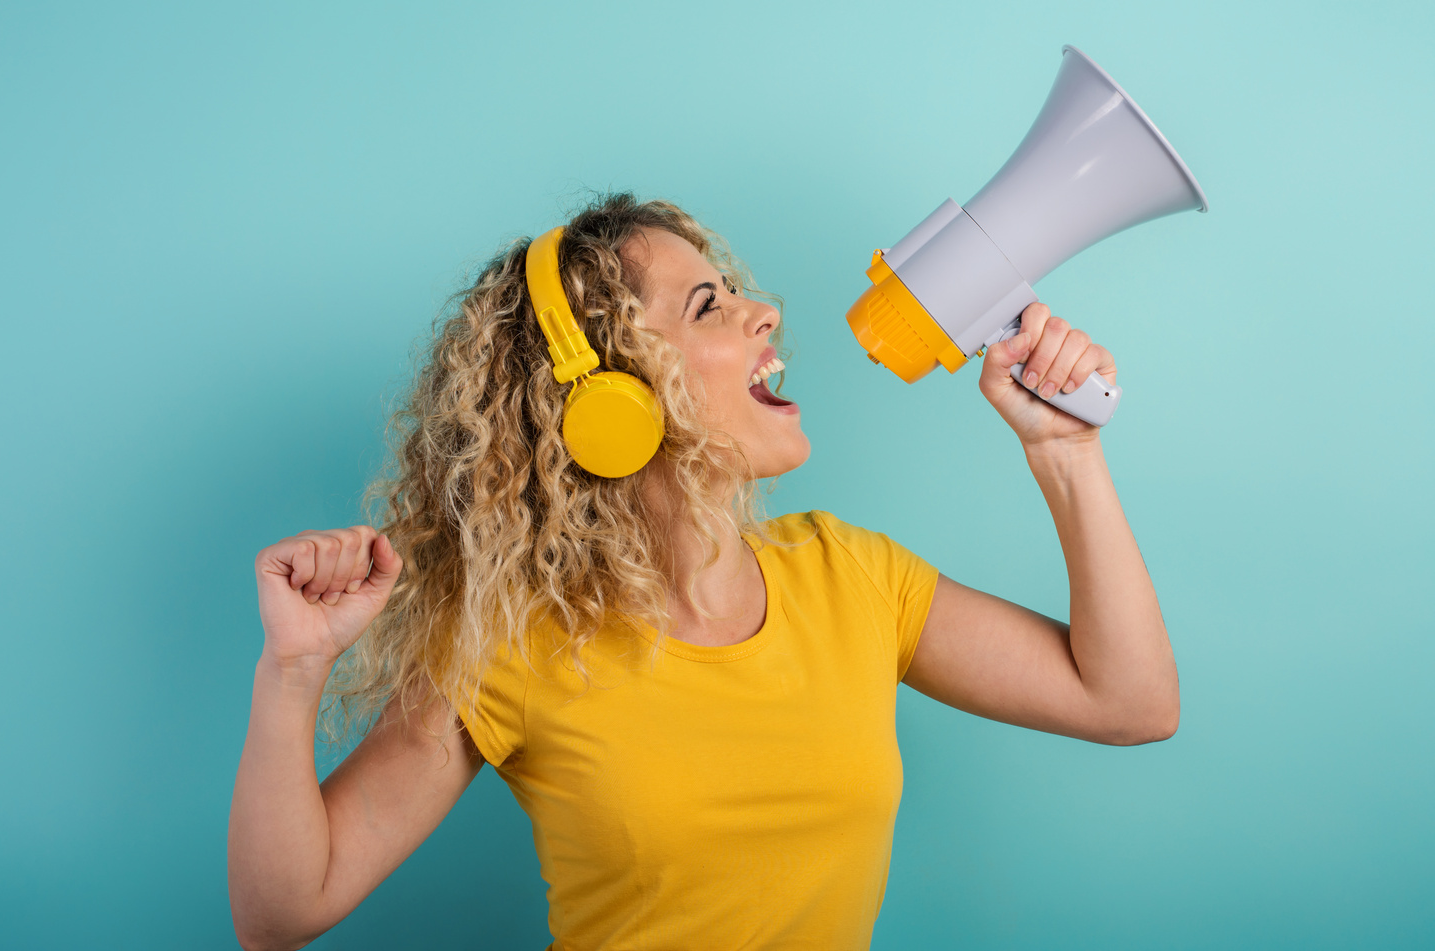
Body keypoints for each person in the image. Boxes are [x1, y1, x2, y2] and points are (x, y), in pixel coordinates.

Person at [227, 193, 1179, 950]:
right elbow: (283, 913)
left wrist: (1066, 454)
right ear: (611, 395)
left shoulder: (853, 577)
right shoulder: (512, 646)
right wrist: (293, 671)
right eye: (709, 306)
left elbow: (1129, 702)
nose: (765, 311)